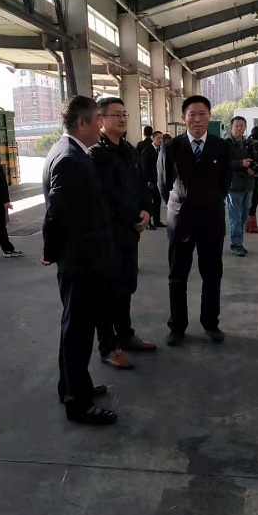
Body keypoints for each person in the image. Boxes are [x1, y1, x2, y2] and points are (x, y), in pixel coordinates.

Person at [42, 96, 118, 426]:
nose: (101, 126)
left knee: (73, 327)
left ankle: (72, 386)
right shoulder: (69, 159)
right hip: (81, 262)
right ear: (83, 123)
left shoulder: (70, 152)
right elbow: (55, 213)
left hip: (82, 258)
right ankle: (79, 404)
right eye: (98, 120)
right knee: (79, 332)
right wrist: (50, 252)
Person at [157, 95, 232, 346]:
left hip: (211, 220)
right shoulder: (171, 147)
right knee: (177, 275)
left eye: (202, 114)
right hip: (181, 221)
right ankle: (177, 326)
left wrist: (211, 200)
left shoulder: (221, 147)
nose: (197, 120)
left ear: (209, 116)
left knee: (212, 274)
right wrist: (179, 205)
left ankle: (211, 324)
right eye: (192, 114)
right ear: (183, 118)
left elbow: (225, 182)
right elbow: (163, 184)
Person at [90, 97, 156, 371]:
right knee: (106, 293)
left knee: (126, 287)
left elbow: (141, 186)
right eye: (115, 114)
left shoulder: (129, 150)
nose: (122, 118)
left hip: (130, 233)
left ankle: (126, 335)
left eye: (124, 114)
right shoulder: (95, 155)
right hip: (108, 237)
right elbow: (99, 199)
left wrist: (146, 210)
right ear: (100, 120)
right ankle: (108, 346)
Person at [225, 116, 255, 257]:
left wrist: (253, 168)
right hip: (234, 186)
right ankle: (235, 245)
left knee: (243, 217)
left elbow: (255, 159)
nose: (238, 128)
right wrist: (240, 163)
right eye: (236, 126)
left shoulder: (248, 144)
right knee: (235, 218)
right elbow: (223, 163)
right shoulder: (226, 144)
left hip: (247, 184)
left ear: (245, 127)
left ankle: (239, 243)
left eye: (241, 126)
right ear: (231, 128)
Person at [141, 131, 166, 229]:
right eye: (158, 138)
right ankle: (148, 222)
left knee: (157, 200)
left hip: (159, 180)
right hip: (150, 180)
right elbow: (144, 166)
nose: (160, 140)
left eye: (162, 138)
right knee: (149, 201)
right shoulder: (147, 150)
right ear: (153, 138)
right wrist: (148, 180)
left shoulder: (162, 150)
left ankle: (157, 221)